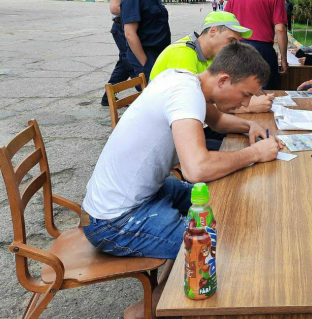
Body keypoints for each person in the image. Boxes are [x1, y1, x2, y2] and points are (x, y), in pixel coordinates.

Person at [81, 42, 283, 319]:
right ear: (223, 80)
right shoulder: (186, 94)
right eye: (245, 94)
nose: (246, 104)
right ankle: (147, 310)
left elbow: (218, 122)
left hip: (143, 195)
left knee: (219, 200)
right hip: (115, 221)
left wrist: (250, 125)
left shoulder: (189, 81)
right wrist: (255, 154)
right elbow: (196, 169)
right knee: (215, 246)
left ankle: (170, 281)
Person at [150, 11, 274, 114]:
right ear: (213, 31)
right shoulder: (182, 53)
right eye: (231, 41)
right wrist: (248, 106)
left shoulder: (212, 55)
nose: (233, 47)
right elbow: (189, 103)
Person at [224, 0, 288, 89]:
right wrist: (284, 59)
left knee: (238, 89)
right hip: (262, 50)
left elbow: (225, 22)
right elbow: (280, 29)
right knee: (265, 91)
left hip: (237, 48)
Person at [101, 0, 145, 106]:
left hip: (132, 26)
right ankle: (144, 92)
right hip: (121, 27)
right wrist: (137, 12)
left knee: (124, 63)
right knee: (131, 61)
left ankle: (108, 97)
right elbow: (114, 8)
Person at [121, 0, 171, 81]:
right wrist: (145, 63)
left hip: (159, 55)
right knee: (153, 90)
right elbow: (130, 34)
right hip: (147, 56)